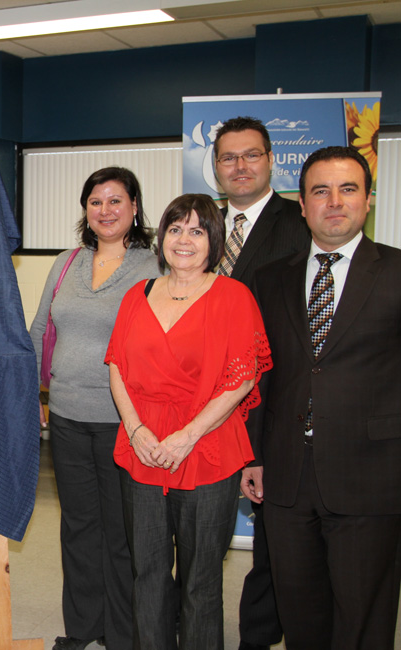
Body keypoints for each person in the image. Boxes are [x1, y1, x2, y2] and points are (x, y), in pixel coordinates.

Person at [247, 147, 401, 649]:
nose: (334, 201)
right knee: (300, 612)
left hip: (372, 474)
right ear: (302, 204)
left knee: (363, 617)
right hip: (287, 475)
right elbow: (260, 376)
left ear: (369, 199)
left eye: (348, 189)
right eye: (320, 190)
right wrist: (253, 456)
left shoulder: (397, 271)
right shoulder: (271, 278)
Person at [106, 193, 271, 650]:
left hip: (206, 445)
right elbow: (117, 364)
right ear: (162, 237)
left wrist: (187, 435)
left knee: (201, 579)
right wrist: (136, 430)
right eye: (176, 229)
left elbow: (242, 377)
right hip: (142, 445)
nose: (184, 240)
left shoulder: (234, 296)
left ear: (214, 240)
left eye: (197, 231)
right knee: (148, 573)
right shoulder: (137, 294)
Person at [29, 167, 160, 650]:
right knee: (78, 527)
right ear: (85, 210)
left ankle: (124, 634)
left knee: (123, 532)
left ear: (134, 207)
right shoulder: (67, 262)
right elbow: (40, 328)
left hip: (125, 422)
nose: (105, 210)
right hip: (67, 417)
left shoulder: (154, 266)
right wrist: (32, 394)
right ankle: (83, 628)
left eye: (115, 200)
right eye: (95, 202)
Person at [212, 116, 310, 650]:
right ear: (216, 167)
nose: (241, 166)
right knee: (196, 528)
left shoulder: (300, 222)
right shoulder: (200, 224)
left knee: (275, 536)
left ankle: (260, 634)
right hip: (199, 406)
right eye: (229, 157)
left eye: (251, 155)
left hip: (270, 402)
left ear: (272, 161)